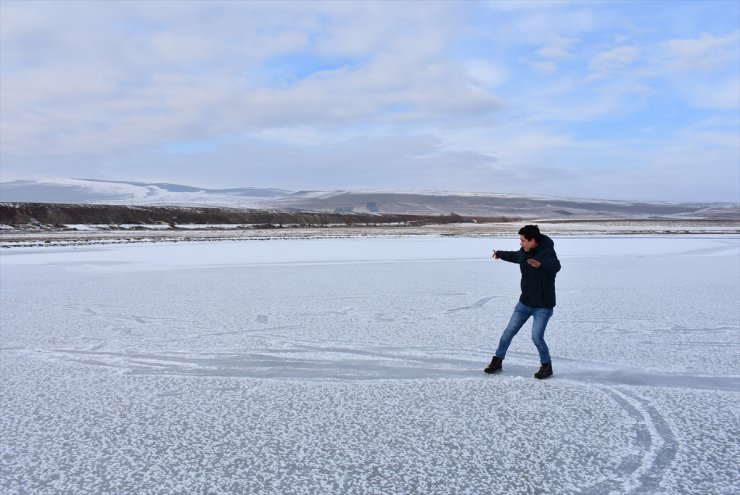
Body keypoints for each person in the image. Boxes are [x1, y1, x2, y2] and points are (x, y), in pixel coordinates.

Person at [484, 225, 561, 379]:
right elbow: (515, 256)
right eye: (520, 240)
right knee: (508, 332)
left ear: (533, 240)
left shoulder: (547, 252)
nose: (521, 243)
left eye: (523, 240)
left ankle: (547, 366)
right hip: (524, 303)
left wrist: (541, 265)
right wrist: (499, 254)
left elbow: (556, 266)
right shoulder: (524, 252)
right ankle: (497, 361)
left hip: (543, 306)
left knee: (536, 337)